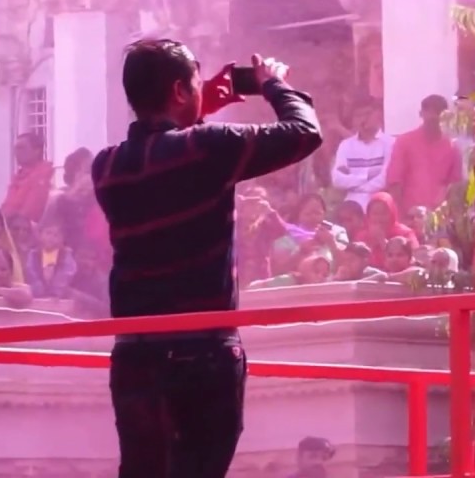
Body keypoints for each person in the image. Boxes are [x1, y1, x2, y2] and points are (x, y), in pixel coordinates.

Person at [92, 40, 322, 477]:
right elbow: (304, 132)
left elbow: (170, 160)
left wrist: (195, 111)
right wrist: (274, 85)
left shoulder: (106, 167)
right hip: (202, 355)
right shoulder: (206, 147)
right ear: (179, 91)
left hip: (135, 356)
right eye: (195, 83)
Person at [385, 95, 464, 211]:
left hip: (440, 219)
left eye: (438, 113)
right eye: (429, 112)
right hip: (409, 215)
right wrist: (402, 215)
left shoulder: (452, 147)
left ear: (446, 117)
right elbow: (394, 182)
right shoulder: (404, 142)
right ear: (421, 114)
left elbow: (455, 187)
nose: (433, 117)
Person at [330, 98, 393, 209]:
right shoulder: (346, 145)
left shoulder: (390, 143)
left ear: (378, 115)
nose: (363, 119)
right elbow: (337, 180)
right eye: (358, 116)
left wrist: (354, 185)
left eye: (367, 114)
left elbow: (385, 179)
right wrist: (367, 176)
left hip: (379, 206)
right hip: (351, 208)